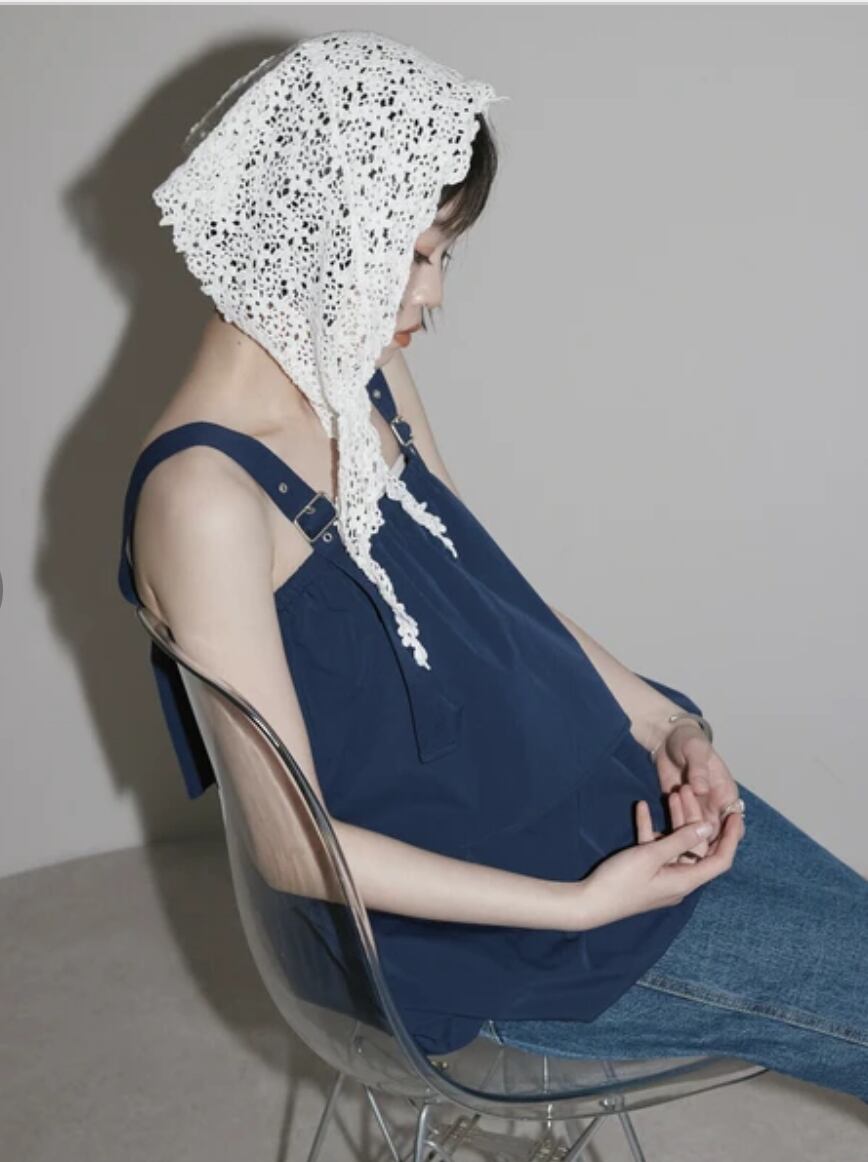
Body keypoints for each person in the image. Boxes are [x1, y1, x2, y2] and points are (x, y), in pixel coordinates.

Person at [117, 31, 867, 1102]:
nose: (432, 298)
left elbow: (487, 604)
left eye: (445, 256)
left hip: (579, 795)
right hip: (484, 929)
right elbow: (296, 847)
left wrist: (662, 722)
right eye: (415, 253)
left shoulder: (366, 381)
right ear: (315, 233)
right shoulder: (202, 499)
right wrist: (580, 905)